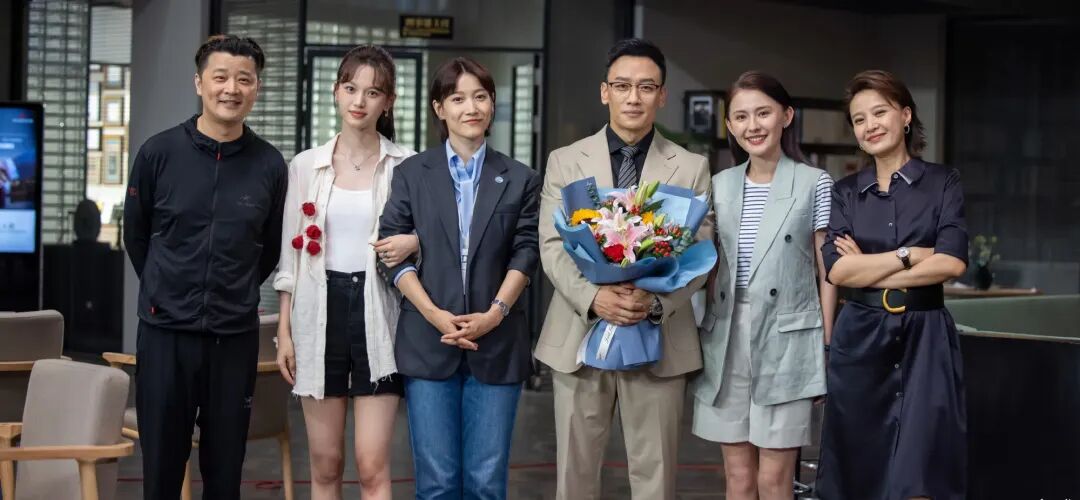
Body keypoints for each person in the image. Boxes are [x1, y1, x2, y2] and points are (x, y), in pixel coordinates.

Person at [534, 38, 712, 500]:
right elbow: (552, 246)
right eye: (622, 86)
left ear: (662, 95)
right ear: (604, 91)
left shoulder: (690, 167)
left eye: (646, 87)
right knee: (574, 478)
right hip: (579, 336)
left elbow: (700, 255)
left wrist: (653, 302)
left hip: (658, 338)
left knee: (655, 480)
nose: (634, 97)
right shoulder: (565, 160)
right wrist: (594, 297)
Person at [122, 35, 288, 499]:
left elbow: (270, 248)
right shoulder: (158, 153)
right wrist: (168, 287)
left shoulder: (269, 164)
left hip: (233, 337)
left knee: (225, 471)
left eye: (244, 79)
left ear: (256, 88)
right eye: (220, 77)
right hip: (164, 334)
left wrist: (232, 289)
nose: (231, 89)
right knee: (160, 469)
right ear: (199, 83)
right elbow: (136, 236)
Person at [376, 56, 540, 499]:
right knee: (437, 484)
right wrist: (433, 314)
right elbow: (390, 253)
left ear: (493, 104)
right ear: (439, 108)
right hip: (429, 342)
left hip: (497, 342)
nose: (472, 108)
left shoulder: (520, 178)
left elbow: (526, 252)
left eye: (481, 97)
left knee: (486, 483)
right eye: (458, 98)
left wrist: (494, 314)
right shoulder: (412, 174)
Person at [272, 44, 417, 500]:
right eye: (351, 88)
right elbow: (290, 259)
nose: (359, 101)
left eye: (372, 92)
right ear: (335, 91)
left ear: (388, 102)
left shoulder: (407, 165)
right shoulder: (305, 165)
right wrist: (284, 332)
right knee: (325, 464)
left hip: (381, 313)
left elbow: (433, 238)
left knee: (372, 466)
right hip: (319, 313)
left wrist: (416, 242)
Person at [816, 69, 968, 500]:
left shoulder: (943, 182)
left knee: (923, 471)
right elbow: (837, 271)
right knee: (859, 471)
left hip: (926, 337)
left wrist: (867, 265)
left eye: (879, 112)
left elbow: (952, 262)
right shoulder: (846, 192)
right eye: (859, 119)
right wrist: (909, 255)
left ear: (905, 115)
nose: (870, 125)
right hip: (860, 338)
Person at [691, 71, 835, 500]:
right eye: (741, 116)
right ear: (729, 125)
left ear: (786, 116)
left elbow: (828, 270)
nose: (752, 125)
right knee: (738, 478)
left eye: (763, 113)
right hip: (727, 336)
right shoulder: (720, 185)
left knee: (774, 480)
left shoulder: (814, 182)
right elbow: (709, 267)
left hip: (788, 338)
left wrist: (826, 344)